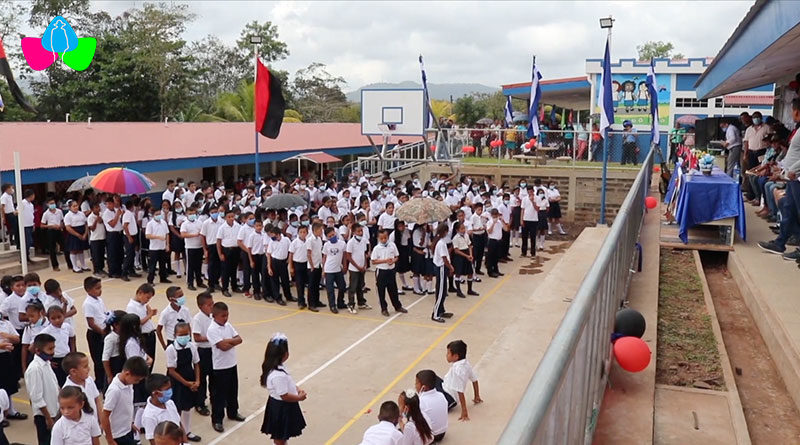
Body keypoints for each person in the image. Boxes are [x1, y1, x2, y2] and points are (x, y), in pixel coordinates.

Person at [259, 333, 307, 444]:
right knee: (280, 436)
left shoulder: (278, 367)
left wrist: (297, 388)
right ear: (285, 354)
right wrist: (299, 397)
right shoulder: (277, 375)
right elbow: (284, 395)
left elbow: (287, 383)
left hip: (282, 406)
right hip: (281, 408)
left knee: (283, 434)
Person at [206, 302, 245, 432]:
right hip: (220, 367)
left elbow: (239, 339)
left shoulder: (228, 325)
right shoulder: (212, 329)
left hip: (232, 363)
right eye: (223, 316)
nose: (226, 318)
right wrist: (230, 342)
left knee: (233, 391)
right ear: (215, 316)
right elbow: (222, 347)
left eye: (227, 315)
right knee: (219, 395)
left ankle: (233, 412)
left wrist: (227, 341)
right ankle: (217, 420)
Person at [165, 322, 201, 442]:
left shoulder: (192, 346)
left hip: (189, 378)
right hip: (177, 381)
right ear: (175, 335)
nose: (184, 336)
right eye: (181, 334)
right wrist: (186, 383)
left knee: (188, 406)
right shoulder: (171, 349)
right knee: (177, 407)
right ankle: (177, 433)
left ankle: (187, 430)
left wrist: (197, 380)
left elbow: (196, 364)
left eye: (186, 334)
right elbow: (171, 371)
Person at [102, 356, 149, 445]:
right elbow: (104, 416)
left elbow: (124, 408)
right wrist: (110, 440)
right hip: (117, 435)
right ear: (127, 374)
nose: (137, 382)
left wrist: (129, 424)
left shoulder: (128, 384)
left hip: (127, 430)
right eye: (136, 380)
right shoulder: (114, 391)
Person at [25, 333, 60, 445]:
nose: (53, 352)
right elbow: (36, 397)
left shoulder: (46, 363)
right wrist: (48, 418)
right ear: (38, 351)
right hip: (45, 416)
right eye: (50, 349)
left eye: (53, 348)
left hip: (54, 411)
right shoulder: (35, 369)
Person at [141, 373, 188, 445]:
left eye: (170, 388)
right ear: (156, 393)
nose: (170, 391)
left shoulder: (170, 403)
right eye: (167, 389)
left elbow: (179, 423)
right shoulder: (149, 416)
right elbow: (153, 441)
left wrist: (185, 442)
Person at [442, 340, 482, 421]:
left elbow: (460, 391)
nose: (446, 355)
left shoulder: (458, 371)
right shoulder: (466, 364)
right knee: (430, 376)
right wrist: (476, 396)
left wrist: (464, 411)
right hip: (445, 386)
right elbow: (474, 380)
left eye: (448, 353)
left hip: (448, 397)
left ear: (456, 356)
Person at [371, 229, 408, 317]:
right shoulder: (377, 248)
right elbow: (373, 261)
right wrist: (385, 261)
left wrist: (393, 261)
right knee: (381, 290)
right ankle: (384, 308)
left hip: (391, 270)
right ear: (378, 238)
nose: (384, 240)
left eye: (385, 238)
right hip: (381, 271)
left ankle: (397, 306)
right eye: (382, 238)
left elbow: (396, 256)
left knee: (393, 289)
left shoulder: (392, 245)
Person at [62, 351, 103, 424]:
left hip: (94, 424)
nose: (89, 369)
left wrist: (101, 420)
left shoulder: (89, 380)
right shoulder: (68, 389)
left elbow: (97, 400)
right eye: (85, 367)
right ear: (73, 371)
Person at [190, 292, 214, 417]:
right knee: (202, 378)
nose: (212, 306)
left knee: (214, 377)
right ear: (201, 306)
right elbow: (197, 337)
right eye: (209, 305)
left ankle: (214, 398)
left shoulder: (212, 316)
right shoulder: (198, 318)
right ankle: (200, 403)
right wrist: (213, 337)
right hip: (202, 351)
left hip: (213, 350)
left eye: (212, 304)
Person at [40, 305, 76, 386]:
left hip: (67, 358)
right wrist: (48, 360)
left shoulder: (67, 327)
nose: (57, 320)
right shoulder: (46, 332)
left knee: (71, 380)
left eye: (59, 317)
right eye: (53, 318)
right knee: (59, 383)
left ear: (63, 315)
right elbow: (36, 347)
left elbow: (72, 337)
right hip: (55, 360)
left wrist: (72, 352)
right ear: (49, 319)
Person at [415, 370, 448, 442]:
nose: (415, 385)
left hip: (431, 436)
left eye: (417, 383)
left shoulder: (421, 401)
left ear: (424, 387)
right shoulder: (441, 395)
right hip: (442, 433)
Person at [431, 224, 454, 323]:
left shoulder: (440, 242)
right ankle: (435, 314)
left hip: (442, 268)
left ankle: (441, 310)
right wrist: (450, 267)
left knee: (444, 290)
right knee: (440, 292)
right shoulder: (440, 243)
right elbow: (444, 258)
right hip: (441, 268)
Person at [346, 223, 371, 314]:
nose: (360, 233)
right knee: (353, 287)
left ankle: (361, 302)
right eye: (358, 231)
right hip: (354, 268)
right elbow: (348, 256)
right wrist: (357, 266)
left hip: (362, 267)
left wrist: (364, 265)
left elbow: (364, 253)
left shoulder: (363, 240)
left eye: (361, 231)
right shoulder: (351, 242)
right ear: (353, 232)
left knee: (360, 286)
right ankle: (351, 304)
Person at [322, 226, 347, 313]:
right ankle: (332, 306)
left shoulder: (342, 244)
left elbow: (344, 256)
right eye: (330, 236)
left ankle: (340, 302)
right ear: (327, 237)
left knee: (342, 286)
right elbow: (324, 257)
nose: (332, 237)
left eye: (333, 235)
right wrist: (323, 270)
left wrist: (344, 265)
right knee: (330, 289)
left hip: (338, 269)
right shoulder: (326, 245)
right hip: (329, 270)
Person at [157, 286, 191, 350]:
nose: (182, 298)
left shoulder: (185, 310)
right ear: (171, 299)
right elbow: (158, 330)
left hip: (185, 341)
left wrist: (190, 339)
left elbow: (188, 326)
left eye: (182, 295)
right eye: (179, 296)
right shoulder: (165, 313)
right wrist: (164, 346)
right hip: (172, 341)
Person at [288, 224, 313, 311]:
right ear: (298, 233)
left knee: (309, 284)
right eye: (301, 232)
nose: (303, 234)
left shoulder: (309, 241)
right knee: (300, 284)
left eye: (304, 232)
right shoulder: (294, 242)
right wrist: (291, 267)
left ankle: (311, 302)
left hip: (307, 264)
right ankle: (301, 302)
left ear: (307, 232)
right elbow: (291, 255)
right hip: (298, 264)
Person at [216, 210, 241, 298]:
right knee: (225, 271)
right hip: (226, 250)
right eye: (229, 217)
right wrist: (220, 254)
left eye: (233, 216)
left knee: (234, 269)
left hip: (236, 250)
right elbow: (218, 241)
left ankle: (234, 286)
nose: (231, 218)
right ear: (226, 217)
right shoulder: (222, 228)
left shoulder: (238, 226)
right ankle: (225, 288)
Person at [267, 226, 294, 306]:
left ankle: (288, 296)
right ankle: (277, 297)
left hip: (283, 262)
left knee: (285, 280)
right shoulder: (271, 242)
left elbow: (290, 250)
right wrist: (269, 267)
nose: (272, 238)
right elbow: (269, 254)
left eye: (274, 236)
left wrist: (289, 260)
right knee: (275, 281)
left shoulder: (286, 240)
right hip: (274, 261)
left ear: (278, 234)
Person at [180, 206, 205, 291]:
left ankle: (199, 281)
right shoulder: (185, 224)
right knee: (190, 266)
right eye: (190, 214)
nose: (192, 215)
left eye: (193, 213)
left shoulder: (199, 222)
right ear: (186, 214)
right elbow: (183, 234)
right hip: (190, 247)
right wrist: (194, 235)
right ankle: (190, 283)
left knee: (198, 265)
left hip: (199, 246)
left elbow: (202, 233)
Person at [450, 222, 478, 297]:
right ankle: (458, 291)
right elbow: (456, 250)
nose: (463, 230)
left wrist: (470, 255)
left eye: (464, 228)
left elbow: (469, 245)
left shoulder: (466, 235)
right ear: (457, 230)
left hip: (467, 254)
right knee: (458, 274)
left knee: (470, 273)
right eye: (461, 229)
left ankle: (470, 289)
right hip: (459, 256)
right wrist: (466, 256)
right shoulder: (455, 238)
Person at [146, 209, 171, 286]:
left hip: (162, 247)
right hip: (154, 248)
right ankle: (150, 280)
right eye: (157, 214)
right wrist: (158, 237)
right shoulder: (150, 224)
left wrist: (167, 244)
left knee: (163, 264)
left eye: (160, 214)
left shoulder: (163, 222)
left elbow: (167, 234)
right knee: (152, 265)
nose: (159, 215)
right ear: (153, 215)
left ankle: (163, 278)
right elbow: (147, 235)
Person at [103, 196, 125, 279]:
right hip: (112, 234)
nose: (108, 205)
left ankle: (119, 269)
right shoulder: (106, 213)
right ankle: (112, 271)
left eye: (110, 203)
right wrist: (117, 215)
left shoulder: (117, 210)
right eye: (107, 204)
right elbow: (112, 224)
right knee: (112, 253)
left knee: (120, 252)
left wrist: (120, 214)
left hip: (119, 233)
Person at [41, 197, 65, 271]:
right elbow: (42, 225)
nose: (53, 205)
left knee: (65, 246)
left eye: (53, 203)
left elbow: (62, 220)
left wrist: (61, 225)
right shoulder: (46, 214)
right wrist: (51, 226)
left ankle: (70, 263)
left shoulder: (59, 211)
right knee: (52, 249)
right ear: (47, 204)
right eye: (51, 204)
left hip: (59, 230)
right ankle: (55, 266)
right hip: (51, 231)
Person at [87, 202, 107, 276]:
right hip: (95, 239)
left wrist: (101, 219)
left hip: (102, 237)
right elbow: (92, 228)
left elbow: (104, 223)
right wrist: (96, 220)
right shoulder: (90, 217)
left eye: (98, 207)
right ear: (92, 209)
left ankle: (101, 269)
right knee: (96, 256)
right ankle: (96, 270)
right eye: (96, 207)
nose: (98, 209)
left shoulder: (102, 214)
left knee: (102, 255)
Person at [485, 209, 503, 277]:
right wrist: (493, 223)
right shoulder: (489, 222)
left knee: (496, 257)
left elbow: (506, 229)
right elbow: (489, 231)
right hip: (492, 240)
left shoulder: (499, 222)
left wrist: (502, 220)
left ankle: (496, 270)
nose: (495, 216)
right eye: (494, 215)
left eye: (496, 215)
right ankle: (490, 271)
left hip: (498, 241)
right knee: (490, 257)